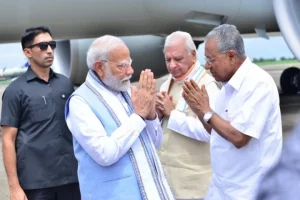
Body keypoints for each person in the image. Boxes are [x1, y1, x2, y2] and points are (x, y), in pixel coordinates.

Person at [65, 35, 174, 200]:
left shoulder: (128, 90)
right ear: (100, 67)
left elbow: (155, 144)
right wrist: (138, 116)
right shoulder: (80, 102)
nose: (130, 71)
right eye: (123, 66)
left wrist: (150, 115)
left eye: (130, 63)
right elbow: (104, 154)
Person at [182, 24, 282, 200]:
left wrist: (206, 110)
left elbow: (239, 138)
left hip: (250, 190)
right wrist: (199, 110)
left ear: (231, 56)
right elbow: (215, 131)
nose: (206, 66)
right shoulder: (227, 88)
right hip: (222, 187)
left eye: (211, 60)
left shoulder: (258, 84)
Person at [1, 26, 80, 200]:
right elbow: (8, 140)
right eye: (43, 46)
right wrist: (14, 187)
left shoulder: (66, 84)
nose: (50, 50)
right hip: (36, 184)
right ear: (27, 52)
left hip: (71, 178)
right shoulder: (16, 91)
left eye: (52, 45)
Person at [156, 31, 220, 200]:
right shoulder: (166, 84)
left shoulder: (207, 86)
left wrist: (172, 114)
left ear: (193, 55)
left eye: (178, 59)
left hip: (195, 186)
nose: (172, 66)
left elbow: (210, 133)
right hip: (168, 183)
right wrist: (156, 115)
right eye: (168, 60)